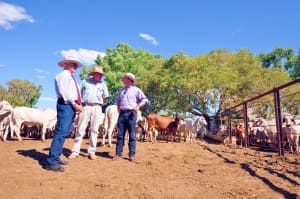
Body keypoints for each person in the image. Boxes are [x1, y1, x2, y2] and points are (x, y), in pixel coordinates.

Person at [45, 55, 83, 172]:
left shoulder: (70, 77)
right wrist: (74, 104)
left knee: (64, 131)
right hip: (67, 105)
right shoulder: (63, 76)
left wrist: (77, 104)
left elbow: (73, 93)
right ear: (66, 64)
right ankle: (52, 162)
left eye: (76, 64)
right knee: (61, 131)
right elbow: (65, 92)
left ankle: (55, 157)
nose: (75, 66)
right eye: (73, 63)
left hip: (70, 106)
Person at [68, 66, 109, 160]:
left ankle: (92, 151)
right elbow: (78, 93)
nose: (99, 76)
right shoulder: (85, 81)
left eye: (101, 74)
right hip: (85, 106)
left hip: (97, 107)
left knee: (95, 130)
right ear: (93, 74)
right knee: (80, 128)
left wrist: (99, 102)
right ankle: (75, 151)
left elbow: (106, 97)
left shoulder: (103, 84)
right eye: (98, 74)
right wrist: (80, 104)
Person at [113, 73, 148, 162]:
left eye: (125, 79)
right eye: (123, 79)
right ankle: (118, 154)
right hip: (122, 114)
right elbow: (117, 100)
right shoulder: (121, 90)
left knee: (132, 134)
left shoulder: (136, 90)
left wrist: (138, 106)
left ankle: (131, 155)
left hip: (131, 114)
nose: (123, 80)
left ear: (130, 80)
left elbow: (144, 100)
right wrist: (118, 109)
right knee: (120, 134)